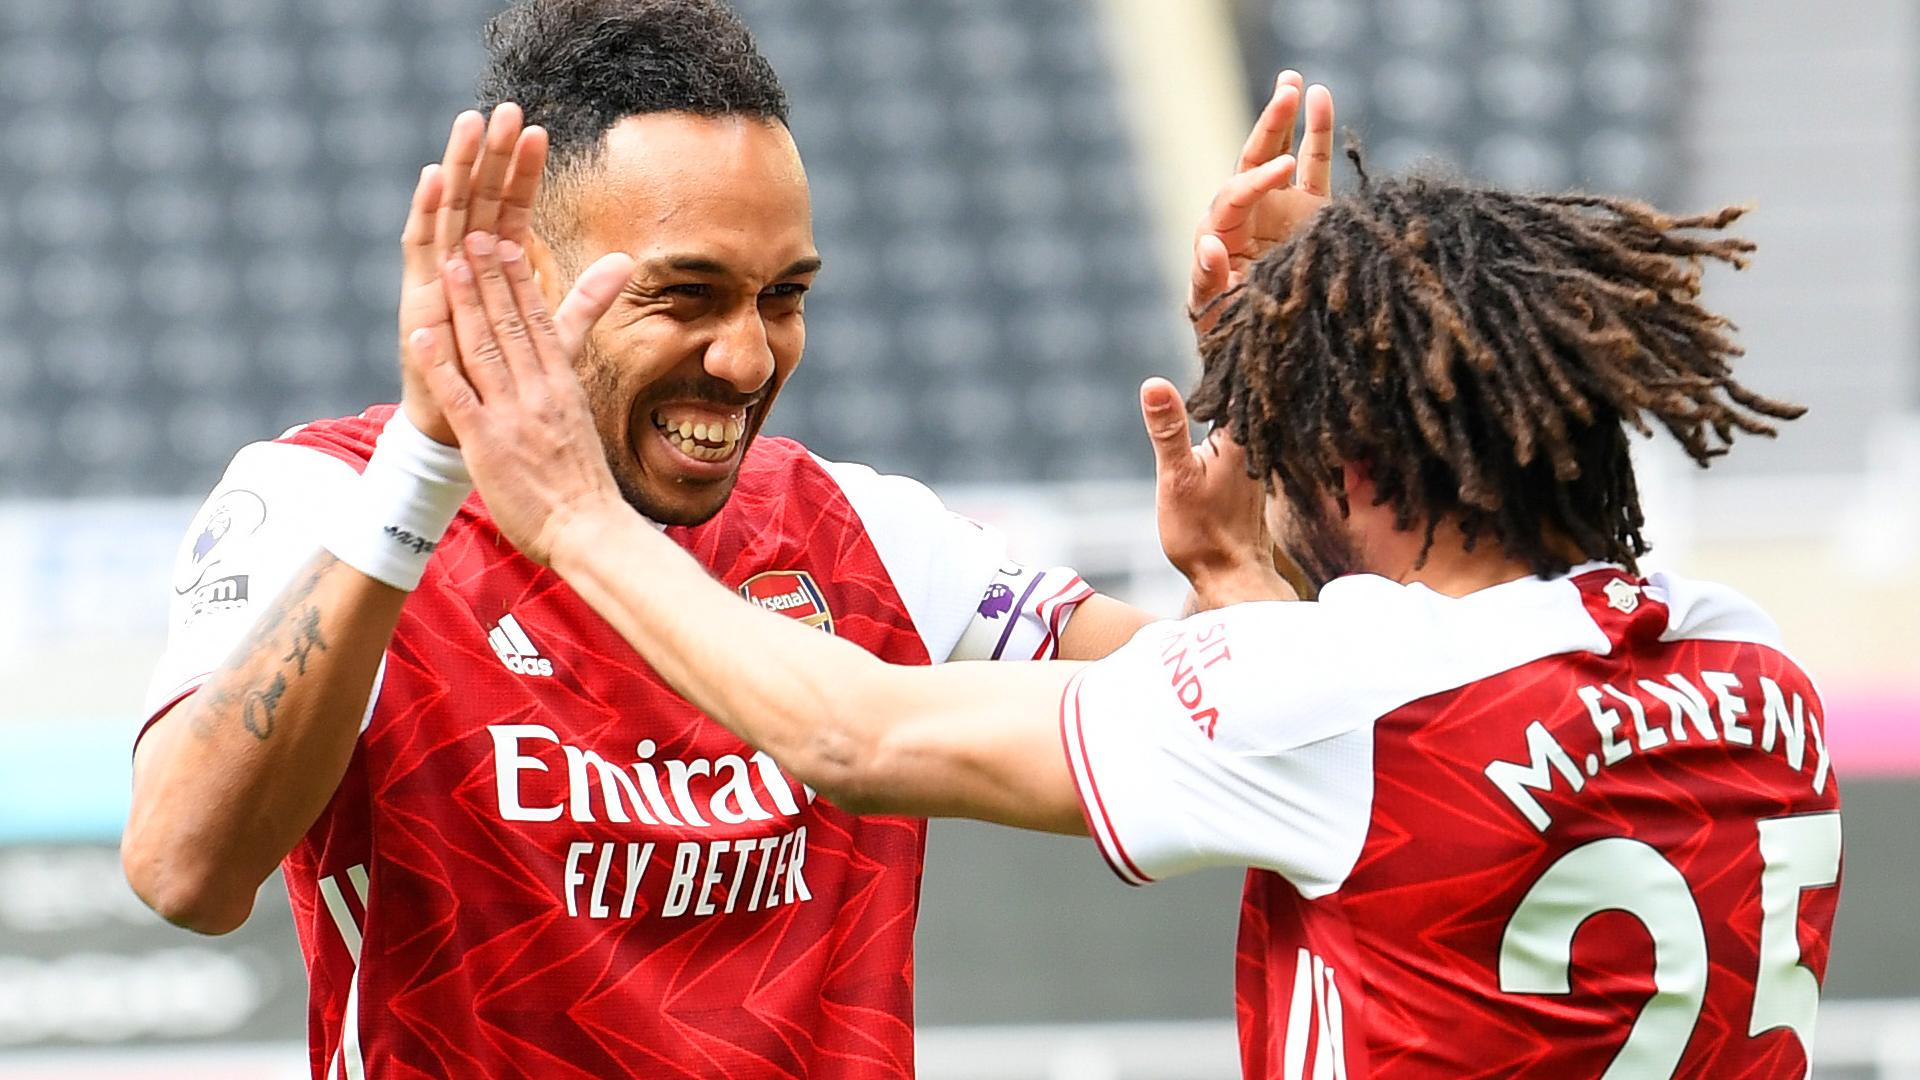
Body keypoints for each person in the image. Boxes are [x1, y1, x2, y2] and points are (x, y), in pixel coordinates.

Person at [418, 157, 1844, 1078]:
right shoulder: (1758, 665)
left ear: (1352, 463)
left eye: (1284, 431)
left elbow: (850, 730)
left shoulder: (1351, 702)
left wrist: (575, 517)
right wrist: (1252, 550)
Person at [121, 1, 1334, 1076]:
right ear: (521, 277)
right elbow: (185, 871)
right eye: (685, 296)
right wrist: (428, 474)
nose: (749, 359)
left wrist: (1279, 397)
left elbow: (1265, 732)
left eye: (785, 297)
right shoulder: (327, 500)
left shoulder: (859, 530)